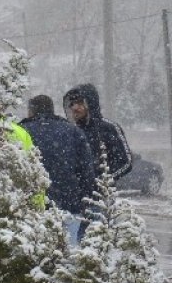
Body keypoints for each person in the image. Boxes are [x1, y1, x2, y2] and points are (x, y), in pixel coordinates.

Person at [20, 94, 95, 245]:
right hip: (69, 203)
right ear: (52, 110)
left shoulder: (21, 131)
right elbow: (87, 171)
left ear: (31, 111)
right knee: (69, 249)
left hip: (34, 206)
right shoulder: (73, 131)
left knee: (36, 250)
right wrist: (84, 200)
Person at [63, 83, 132, 181]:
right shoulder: (70, 132)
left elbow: (125, 162)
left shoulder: (109, 128)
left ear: (90, 103)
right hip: (76, 190)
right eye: (72, 104)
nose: (74, 108)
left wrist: (103, 181)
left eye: (79, 102)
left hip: (103, 189)